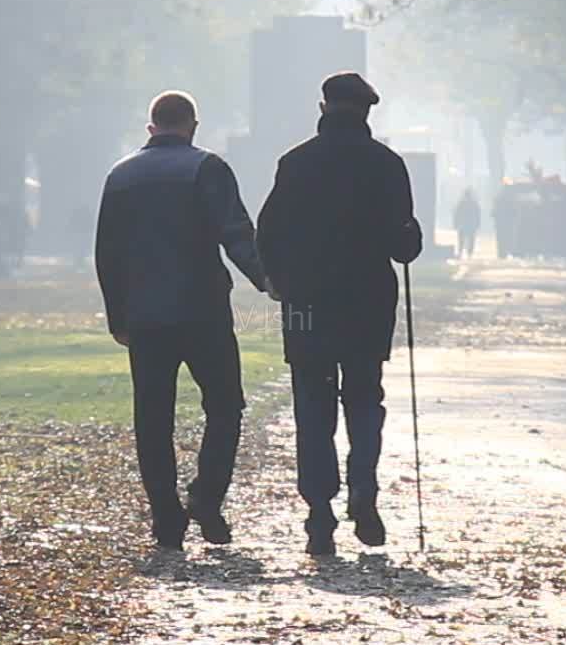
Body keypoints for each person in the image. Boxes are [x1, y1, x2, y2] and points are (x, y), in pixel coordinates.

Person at [95, 90, 272, 550]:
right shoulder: (207, 168)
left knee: (153, 418)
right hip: (202, 310)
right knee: (225, 405)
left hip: (146, 316)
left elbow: (107, 256)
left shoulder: (120, 175)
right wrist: (268, 280)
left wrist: (119, 315)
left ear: (150, 127)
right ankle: (207, 495)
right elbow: (235, 233)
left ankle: (166, 519)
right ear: (193, 126)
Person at [257, 72, 423, 556]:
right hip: (367, 303)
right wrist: (408, 237)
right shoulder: (387, 165)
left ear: (324, 107)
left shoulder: (296, 162)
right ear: (367, 111)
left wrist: (278, 280)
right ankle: (363, 490)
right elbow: (403, 245)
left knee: (313, 405)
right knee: (365, 399)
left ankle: (319, 512)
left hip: (307, 304)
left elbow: (269, 231)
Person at [454, 188, 481, 258]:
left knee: (461, 239)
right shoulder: (474, 203)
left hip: (463, 224)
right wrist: (477, 223)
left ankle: (461, 252)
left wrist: (456, 223)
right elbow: (477, 214)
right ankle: (469, 253)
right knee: (470, 239)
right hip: (471, 224)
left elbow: (457, 214)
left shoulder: (462, 203)